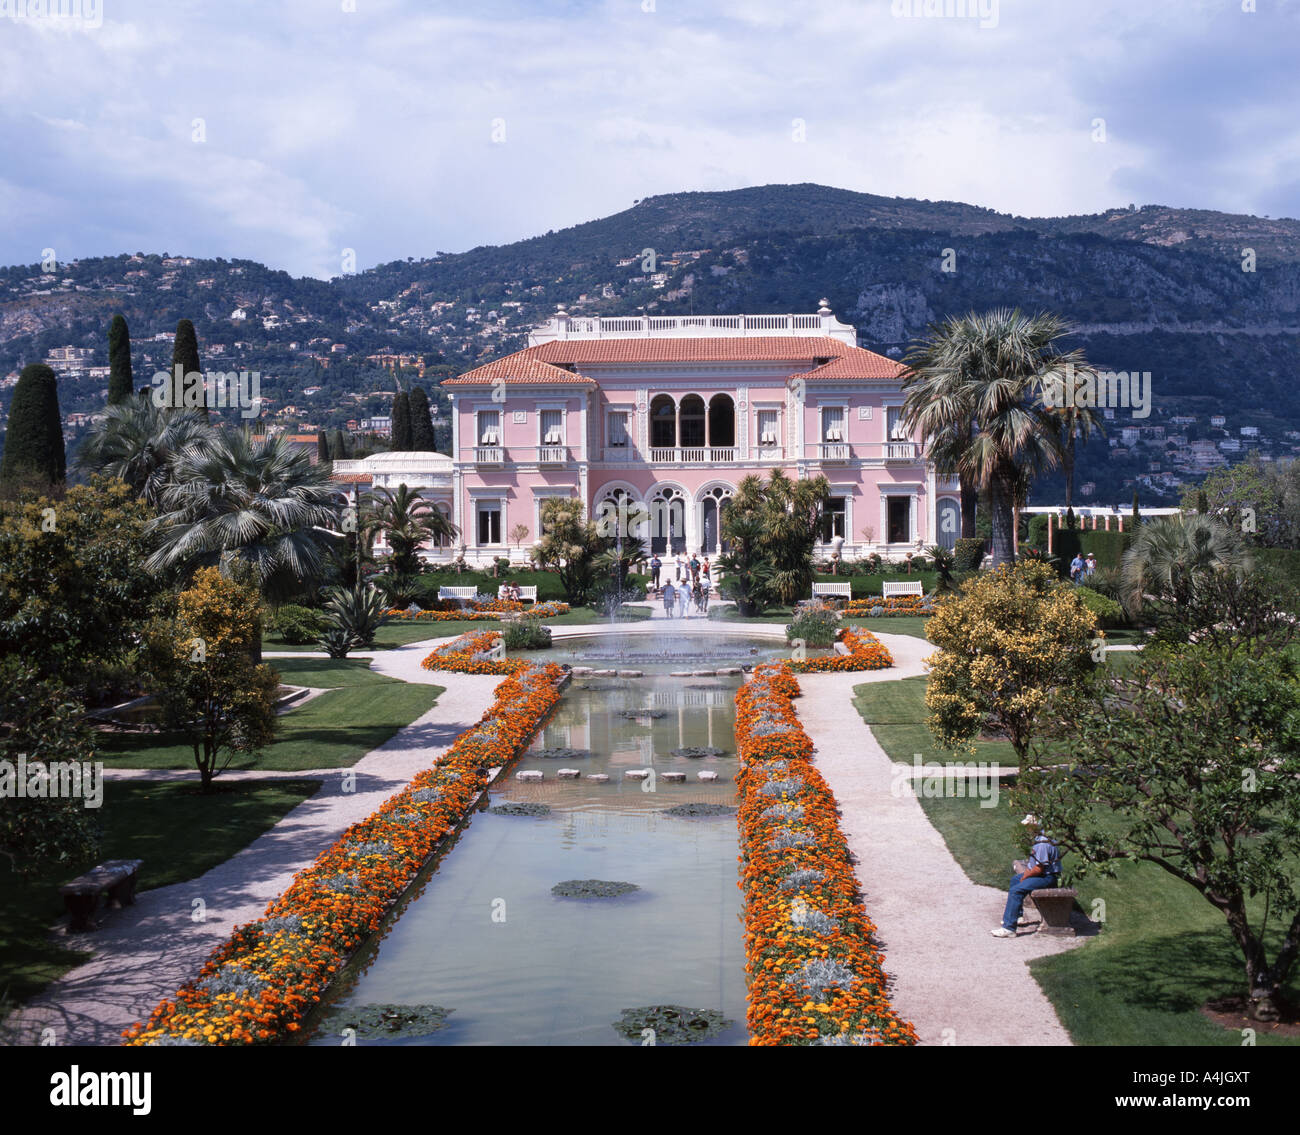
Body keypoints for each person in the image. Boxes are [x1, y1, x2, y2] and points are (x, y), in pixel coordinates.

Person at [992, 815, 1064, 938]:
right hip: (1044, 875)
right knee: (1015, 880)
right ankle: (1017, 916)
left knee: (1016, 890)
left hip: (1047, 877)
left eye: (1028, 826)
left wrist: (1025, 875)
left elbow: (1038, 869)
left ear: (1035, 826)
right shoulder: (1044, 837)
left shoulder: (1042, 843)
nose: (1027, 829)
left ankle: (1009, 928)